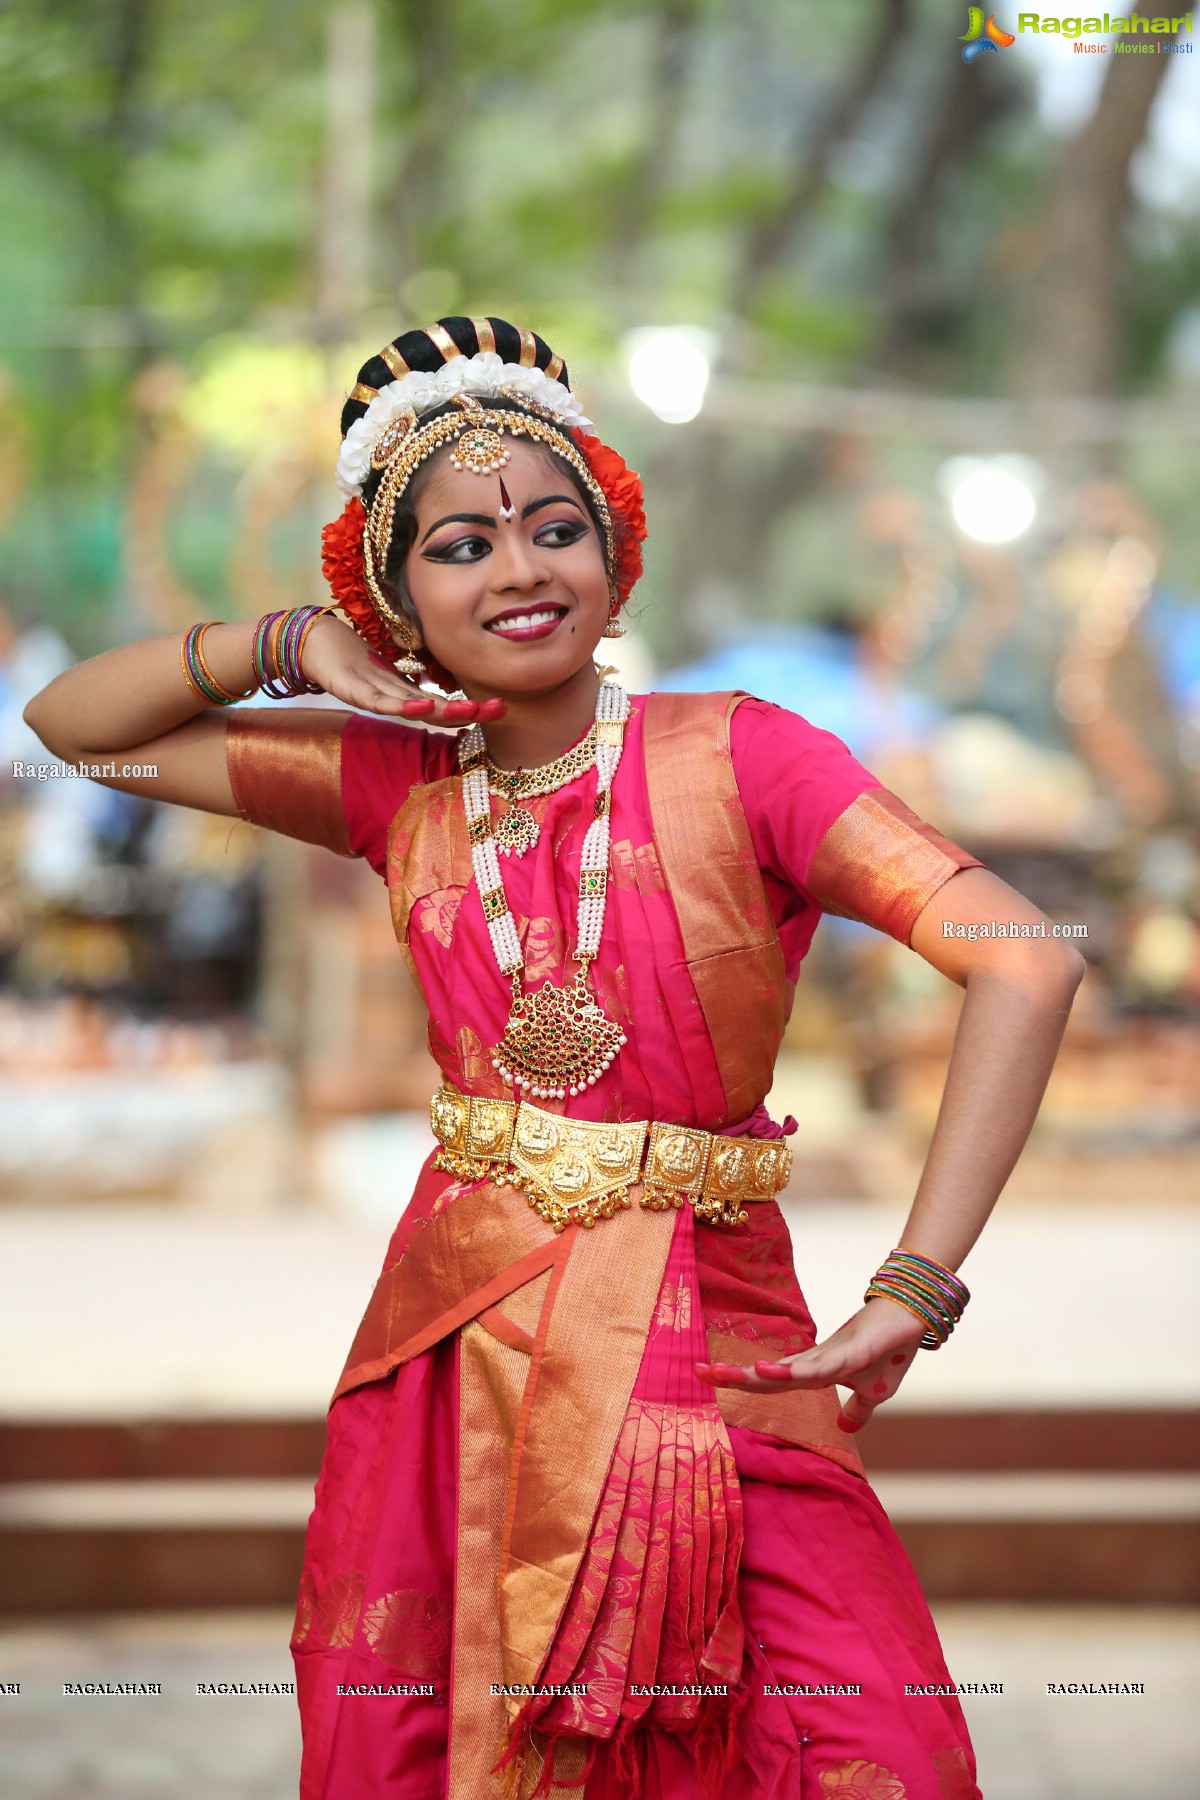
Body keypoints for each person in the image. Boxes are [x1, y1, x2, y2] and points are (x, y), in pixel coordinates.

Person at [24, 317, 1085, 1800]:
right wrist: (280, 648)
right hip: (473, 1353)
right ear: (391, 598)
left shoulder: (745, 755)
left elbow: (1026, 963)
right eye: (458, 546)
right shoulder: (386, 779)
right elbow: (79, 733)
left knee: (866, 1745)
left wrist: (917, 1284)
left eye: (554, 528)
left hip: (727, 1346)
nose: (520, 569)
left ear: (613, 548)